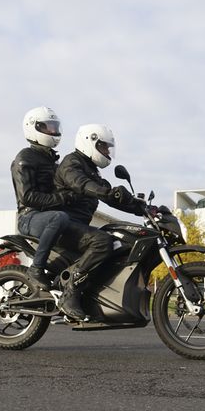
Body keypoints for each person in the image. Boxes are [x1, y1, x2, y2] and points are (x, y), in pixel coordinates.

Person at [52, 123, 144, 320]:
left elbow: (109, 196)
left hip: (77, 227)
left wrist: (141, 208)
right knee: (103, 241)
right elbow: (82, 184)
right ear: (89, 142)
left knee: (118, 242)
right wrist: (109, 192)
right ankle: (70, 293)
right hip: (62, 226)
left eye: (108, 148)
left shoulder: (92, 170)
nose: (107, 152)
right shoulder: (71, 164)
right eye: (103, 146)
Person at [11, 106, 74, 290]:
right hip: (29, 216)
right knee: (59, 217)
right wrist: (62, 199)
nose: (53, 131)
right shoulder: (25, 157)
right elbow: (27, 196)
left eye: (55, 127)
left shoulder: (51, 159)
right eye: (48, 127)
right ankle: (36, 268)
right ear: (33, 127)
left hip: (47, 215)